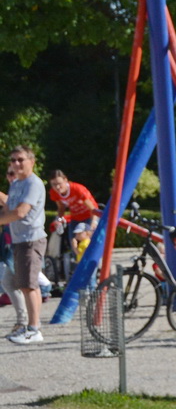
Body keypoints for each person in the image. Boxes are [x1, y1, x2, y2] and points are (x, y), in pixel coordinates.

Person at [0, 145, 48, 343]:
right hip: (20, 240)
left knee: (29, 285)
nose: (16, 164)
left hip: (31, 239)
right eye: (13, 161)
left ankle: (34, 329)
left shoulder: (33, 184)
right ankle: (30, 325)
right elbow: (8, 208)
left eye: (20, 160)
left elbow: (20, 212)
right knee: (25, 284)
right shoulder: (17, 184)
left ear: (32, 161)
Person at [45, 169, 100, 288]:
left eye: (59, 183)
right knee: (74, 247)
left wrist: (93, 223)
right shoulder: (54, 193)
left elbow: (92, 208)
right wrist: (58, 219)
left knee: (87, 248)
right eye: (54, 184)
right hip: (75, 218)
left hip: (89, 217)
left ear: (65, 180)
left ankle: (92, 283)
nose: (57, 187)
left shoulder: (77, 189)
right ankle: (80, 280)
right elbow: (61, 208)